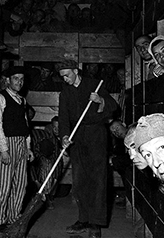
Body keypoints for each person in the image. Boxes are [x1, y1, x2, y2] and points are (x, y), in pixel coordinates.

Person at [57, 59, 118, 238]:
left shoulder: (94, 85)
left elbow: (114, 107)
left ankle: (96, 223)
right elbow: (63, 117)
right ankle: (83, 219)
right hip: (77, 138)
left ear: (76, 71)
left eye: (67, 75)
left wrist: (100, 101)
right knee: (80, 180)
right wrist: (64, 136)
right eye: (62, 77)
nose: (65, 79)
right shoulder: (65, 92)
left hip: (96, 135)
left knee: (98, 179)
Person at [0, 66, 34, 233]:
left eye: (21, 79)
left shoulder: (22, 100)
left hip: (21, 144)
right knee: (3, 184)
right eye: (16, 78)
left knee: (20, 184)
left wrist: (28, 147)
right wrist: (3, 149)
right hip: (7, 144)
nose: (19, 82)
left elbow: (25, 125)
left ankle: (14, 216)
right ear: (8, 80)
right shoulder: (0, 98)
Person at [30, 116, 63, 210]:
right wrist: (37, 183)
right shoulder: (35, 146)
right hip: (36, 160)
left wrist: (53, 184)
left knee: (49, 166)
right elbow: (31, 167)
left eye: (59, 128)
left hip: (47, 161)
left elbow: (58, 163)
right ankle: (38, 196)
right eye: (54, 127)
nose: (56, 130)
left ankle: (48, 197)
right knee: (43, 166)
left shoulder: (54, 143)